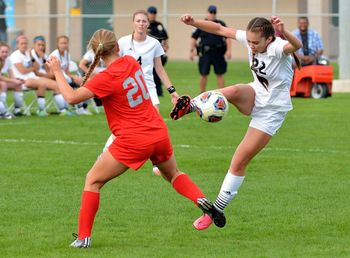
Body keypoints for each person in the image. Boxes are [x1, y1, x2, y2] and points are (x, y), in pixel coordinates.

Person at [46, 28, 224, 248]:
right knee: (174, 174)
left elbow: (72, 97)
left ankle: (83, 238)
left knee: (92, 181)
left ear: (96, 54)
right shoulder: (131, 61)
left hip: (134, 140)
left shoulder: (106, 77)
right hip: (158, 132)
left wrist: (56, 70)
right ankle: (204, 203)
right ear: (118, 47)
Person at [171, 14, 302, 230]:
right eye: (249, 41)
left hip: (271, 112)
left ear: (268, 39)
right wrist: (193, 23)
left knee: (239, 161)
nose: (251, 45)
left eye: (255, 43)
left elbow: (296, 46)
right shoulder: (253, 40)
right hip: (255, 94)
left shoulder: (278, 48)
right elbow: (220, 30)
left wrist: (285, 31)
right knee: (231, 90)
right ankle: (190, 105)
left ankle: (216, 211)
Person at [103, 9, 179, 175]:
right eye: (138, 21)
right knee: (123, 126)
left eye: (144, 21)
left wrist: (172, 91)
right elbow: (114, 65)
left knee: (156, 124)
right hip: (129, 92)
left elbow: (159, 69)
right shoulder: (122, 42)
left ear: (148, 24)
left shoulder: (154, 44)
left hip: (148, 90)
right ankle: (106, 153)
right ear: (133, 23)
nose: (141, 24)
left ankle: (157, 164)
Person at [10, 35, 69, 116]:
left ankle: (63, 110)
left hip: (33, 77)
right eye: (22, 44)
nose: (24, 45)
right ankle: (41, 110)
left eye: (26, 43)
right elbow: (22, 71)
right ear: (17, 45)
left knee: (56, 85)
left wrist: (31, 59)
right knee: (42, 84)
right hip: (22, 79)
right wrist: (32, 69)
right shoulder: (15, 55)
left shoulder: (28, 54)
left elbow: (36, 66)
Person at [190, 5, 232, 93]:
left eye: (214, 12)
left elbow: (228, 37)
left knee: (220, 74)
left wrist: (229, 50)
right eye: (211, 12)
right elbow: (194, 38)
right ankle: (202, 93)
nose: (212, 14)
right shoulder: (201, 23)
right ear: (207, 13)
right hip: (205, 53)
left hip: (218, 53)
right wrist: (191, 51)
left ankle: (222, 93)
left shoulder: (220, 24)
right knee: (203, 74)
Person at [49, 35, 91, 115]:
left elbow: (67, 71)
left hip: (66, 77)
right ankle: (72, 108)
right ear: (57, 44)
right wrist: (70, 78)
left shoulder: (67, 54)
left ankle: (82, 107)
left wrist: (74, 77)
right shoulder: (54, 55)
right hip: (57, 78)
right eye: (61, 43)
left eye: (65, 43)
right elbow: (52, 72)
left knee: (87, 83)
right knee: (73, 83)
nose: (63, 45)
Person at [147, 6, 169, 97]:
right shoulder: (145, 25)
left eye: (154, 13)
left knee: (158, 72)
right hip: (148, 53)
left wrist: (166, 46)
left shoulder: (159, 25)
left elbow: (165, 38)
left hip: (158, 54)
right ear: (148, 13)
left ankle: (159, 92)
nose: (152, 15)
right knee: (149, 73)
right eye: (151, 13)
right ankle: (149, 92)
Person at [0, 42, 23, 118]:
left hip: (2, 81)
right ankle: (3, 111)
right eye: (2, 52)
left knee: (17, 85)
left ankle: (17, 110)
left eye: (6, 52)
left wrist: (17, 80)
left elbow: (11, 75)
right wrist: (14, 81)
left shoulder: (8, 60)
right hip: (2, 82)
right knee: (3, 84)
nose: (5, 54)